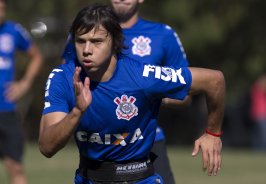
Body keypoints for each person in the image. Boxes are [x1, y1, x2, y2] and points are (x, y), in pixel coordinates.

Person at [39, 4, 225, 184]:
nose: (87, 50)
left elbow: (214, 81)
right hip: (88, 177)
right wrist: (77, 112)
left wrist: (212, 134)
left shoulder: (143, 77)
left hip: (140, 178)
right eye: (81, 41)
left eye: (96, 41)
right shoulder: (62, 78)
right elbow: (46, 147)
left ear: (115, 41)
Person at [62, 1, 190, 183]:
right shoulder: (85, 31)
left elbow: (187, 93)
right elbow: (66, 81)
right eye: (82, 42)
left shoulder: (164, 34)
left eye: (97, 41)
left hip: (148, 142)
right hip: (100, 142)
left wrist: (153, 98)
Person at [0, 0, 43, 184]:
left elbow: (37, 57)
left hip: (6, 110)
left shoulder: (14, 30)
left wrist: (24, 84)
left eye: (1, 8)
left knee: (15, 166)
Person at [249, 73, 266, 151]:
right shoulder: (258, 88)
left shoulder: (264, 92)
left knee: (265, 135)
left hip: (265, 115)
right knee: (264, 135)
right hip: (261, 115)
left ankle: (262, 151)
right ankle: (262, 151)